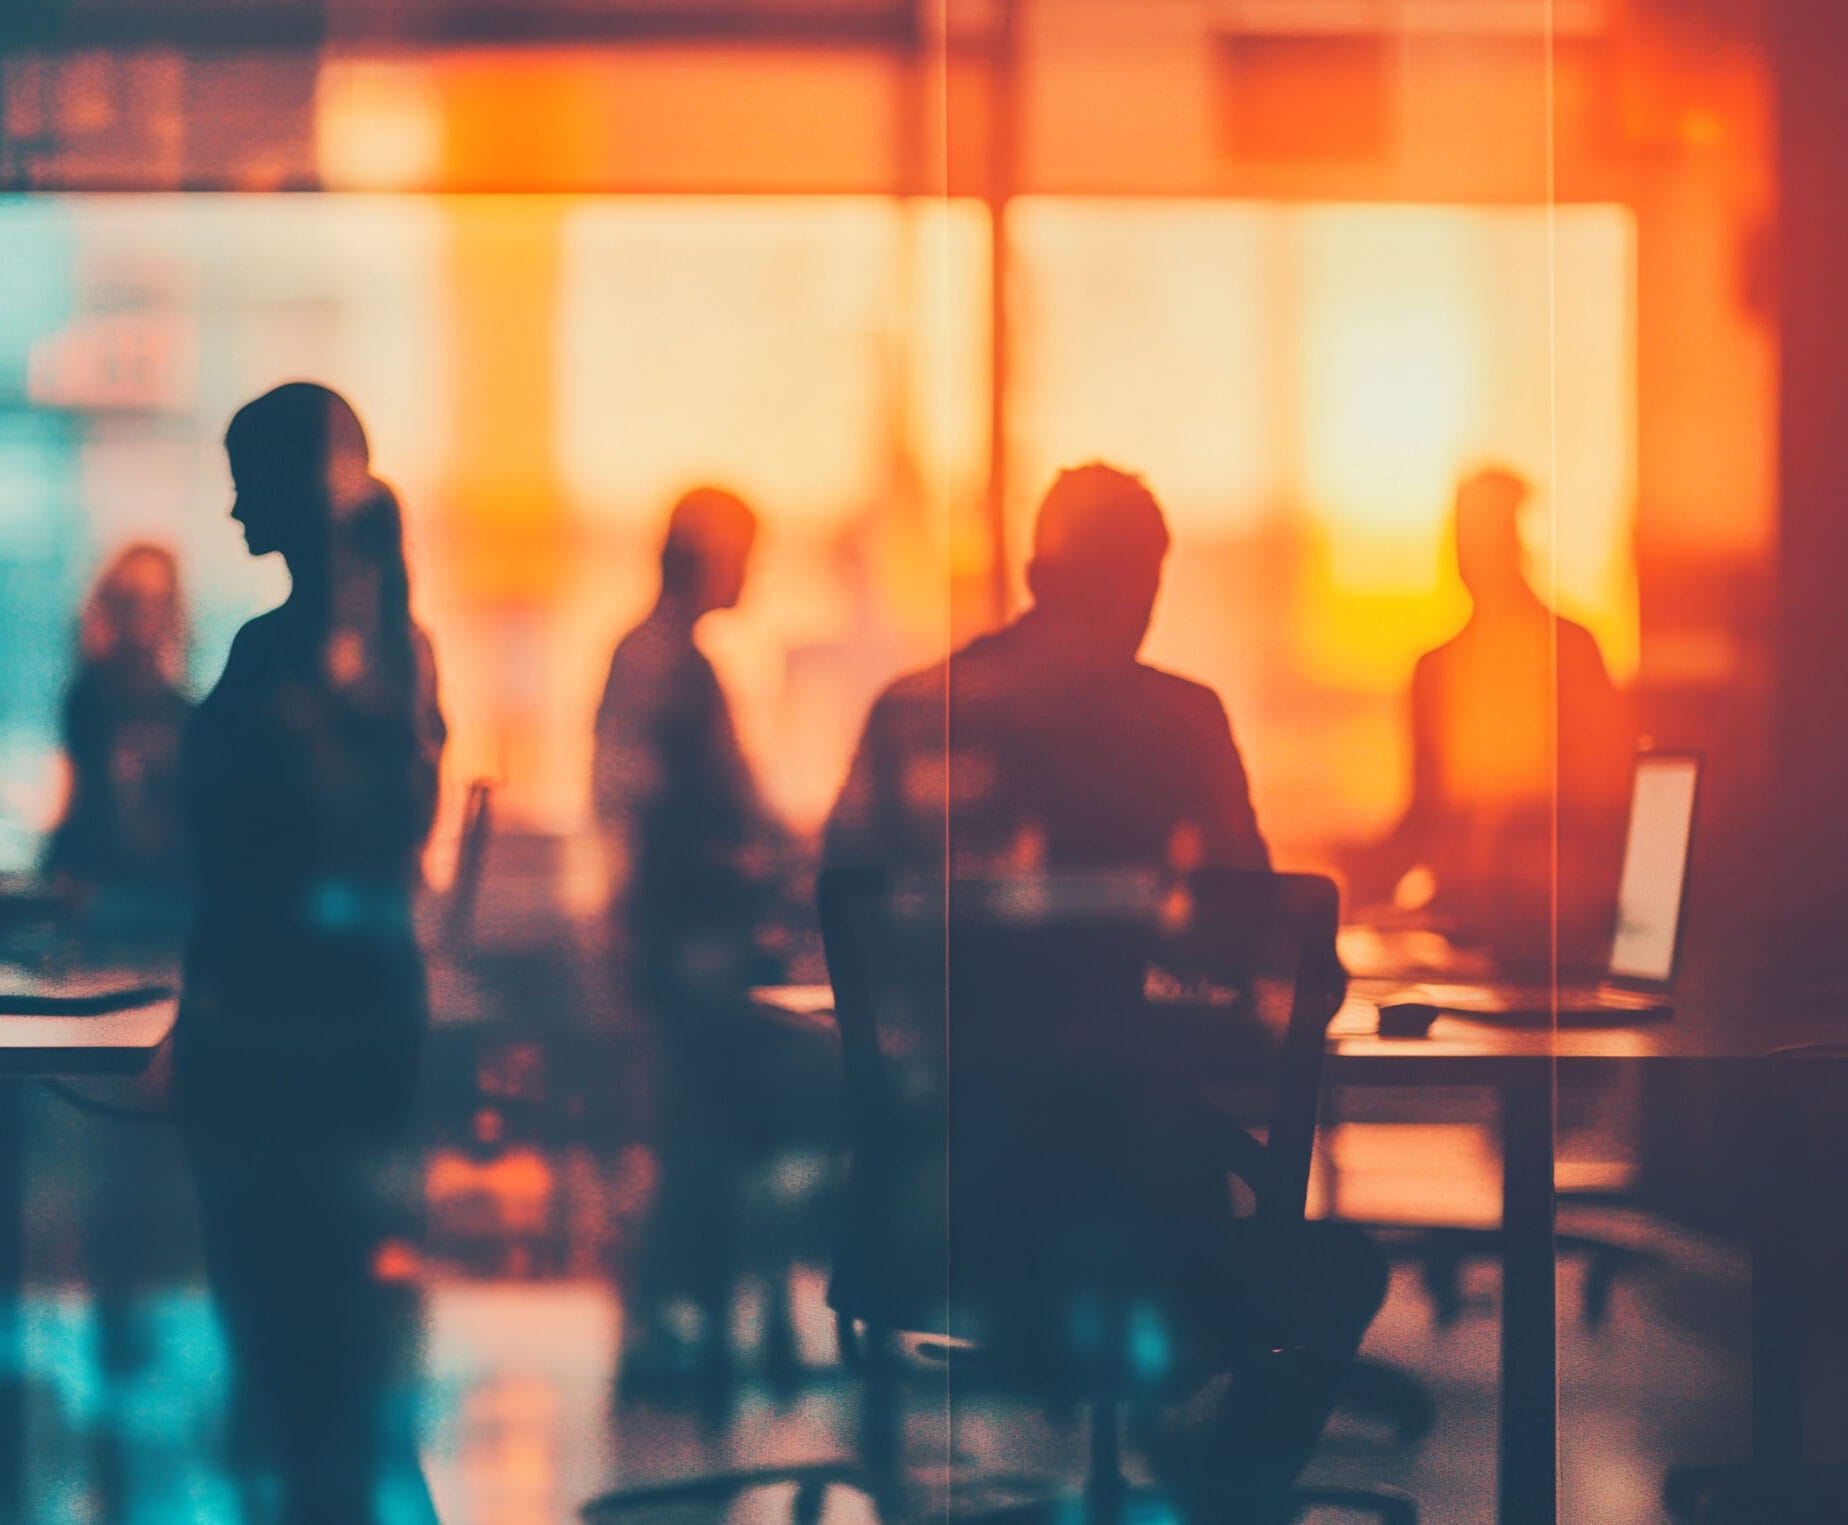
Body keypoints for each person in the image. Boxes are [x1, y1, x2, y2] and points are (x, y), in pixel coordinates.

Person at [823, 463, 1385, 1525]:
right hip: (1138, 1223)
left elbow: (852, 920)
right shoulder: (1177, 722)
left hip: (930, 1223)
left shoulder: (911, 711)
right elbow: (1264, 950)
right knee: (1336, 1269)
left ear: (1035, 572)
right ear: (1145, 585)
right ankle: (1216, 1502)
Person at [174, 383, 445, 1524]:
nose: (235, 507)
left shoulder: (293, 665)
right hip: (351, 1031)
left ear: (299, 493)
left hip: (279, 1041)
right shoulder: (391, 657)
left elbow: (229, 853)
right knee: (335, 1350)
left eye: (249, 481)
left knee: (291, 1336)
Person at [591, 487, 796, 1397]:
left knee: (689, 1134)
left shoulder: (664, 660)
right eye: (744, 551)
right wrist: (754, 861)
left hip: (677, 939)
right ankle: (675, 1323)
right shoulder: (665, 666)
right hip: (689, 943)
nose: (752, 571)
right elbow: (640, 812)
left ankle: (682, 1323)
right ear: (704, 557)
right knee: (692, 1138)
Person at [1352, 468, 1638, 966]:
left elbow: (1607, 800)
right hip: (1460, 912)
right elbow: (1424, 811)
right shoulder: (1434, 669)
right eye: (1466, 535)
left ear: (1518, 540)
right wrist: (1352, 887)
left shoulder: (1572, 652)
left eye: (1490, 532)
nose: (1475, 552)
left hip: (1558, 915)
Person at [48, 541, 195, 943]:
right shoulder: (88, 703)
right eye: (134, 599)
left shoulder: (186, 715)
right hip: (101, 899)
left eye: (157, 600)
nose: (146, 612)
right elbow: (78, 805)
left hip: (167, 899)